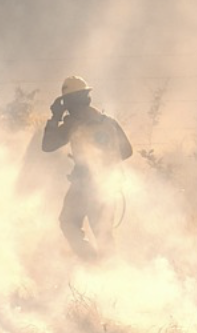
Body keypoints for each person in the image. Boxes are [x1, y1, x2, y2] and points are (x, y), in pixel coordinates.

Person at [41, 76, 133, 261]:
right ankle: (112, 275)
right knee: (104, 234)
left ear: (68, 102)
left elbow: (48, 145)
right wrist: (106, 161)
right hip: (108, 184)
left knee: (68, 222)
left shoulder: (74, 124)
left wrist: (55, 117)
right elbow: (127, 151)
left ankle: (92, 262)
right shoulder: (108, 121)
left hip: (84, 185)